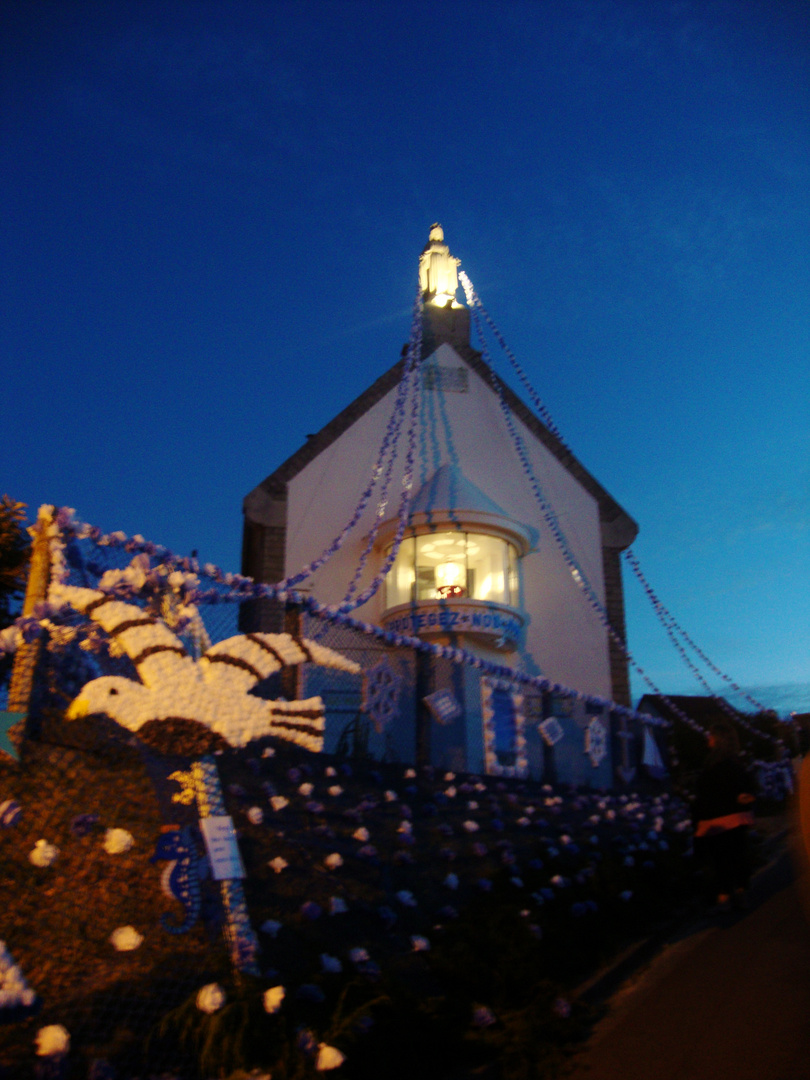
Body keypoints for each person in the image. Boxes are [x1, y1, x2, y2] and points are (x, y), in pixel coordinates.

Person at [692, 720, 756, 910]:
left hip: (715, 819)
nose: (708, 741)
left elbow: (704, 793)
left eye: (711, 737)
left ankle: (725, 895)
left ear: (717, 740)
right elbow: (747, 788)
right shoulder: (736, 764)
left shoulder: (711, 766)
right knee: (737, 854)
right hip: (736, 818)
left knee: (720, 858)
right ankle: (740, 890)